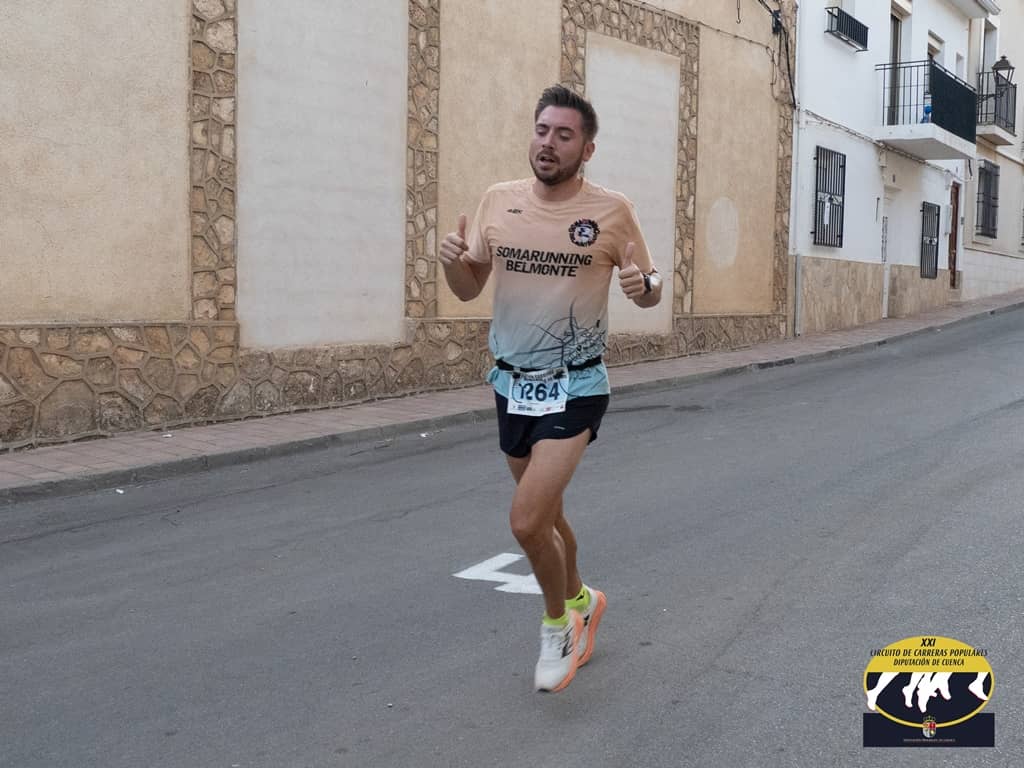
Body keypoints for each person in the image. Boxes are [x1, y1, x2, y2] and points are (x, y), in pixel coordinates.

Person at [439, 84, 663, 692]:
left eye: (564, 135)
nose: (548, 143)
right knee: (549, 517)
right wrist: (453, 261)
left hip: (577, 383)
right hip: (511, 384)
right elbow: (468, 287)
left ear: (586, 149)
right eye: (542, 130)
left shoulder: (611, 210)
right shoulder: (498, 200)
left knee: (525, 519)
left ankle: (559, 624)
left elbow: (650, 284)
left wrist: (644, 287)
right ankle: (585, 598)